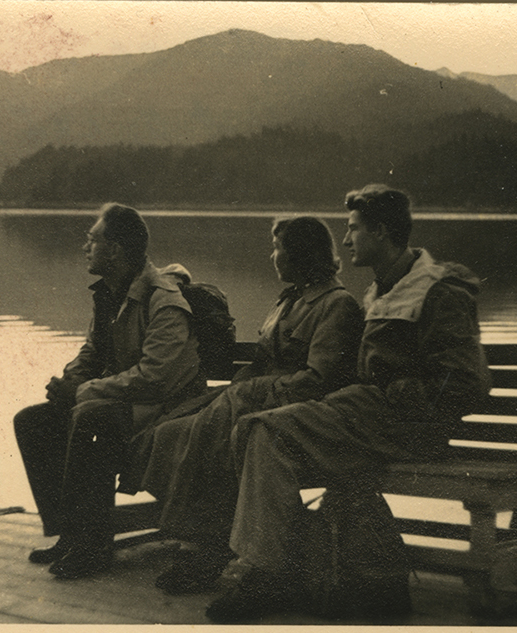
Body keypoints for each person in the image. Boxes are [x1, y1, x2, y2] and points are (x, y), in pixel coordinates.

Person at [205, 184, 492, 622]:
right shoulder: (381, 291)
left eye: (354, 229)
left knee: (264, 429)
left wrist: (392, 395)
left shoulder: (437, 291)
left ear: (380, 231)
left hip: (408, 428)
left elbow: (467, 382)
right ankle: (271, 571)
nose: (345, 240)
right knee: (258, 430)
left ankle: (266, 575)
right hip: (368, 419)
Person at [119, 216, 364, 594]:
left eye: (279, 247)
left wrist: (251, 392)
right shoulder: (288, 300)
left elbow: (319, 381)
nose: (273, 256)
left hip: (289, 412)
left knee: (209, 435)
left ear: (300, 253)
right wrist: (239, 388)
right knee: (169, 432)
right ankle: (204, 540)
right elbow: (263, 360)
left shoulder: (337, 304)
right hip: (254, 399)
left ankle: (203, 550)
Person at [13, 202, 205, 580]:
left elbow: (155, 378)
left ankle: (93, 546)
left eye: (92, 240)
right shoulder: (109, 294)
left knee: (90, 416)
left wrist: (85, 392)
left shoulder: (163, 299)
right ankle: (70, 533)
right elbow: (92, 350)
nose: (85, 247)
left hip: (168, 409)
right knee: (33, 420)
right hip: (125, 400)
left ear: (115, 249)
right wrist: (70, 382)